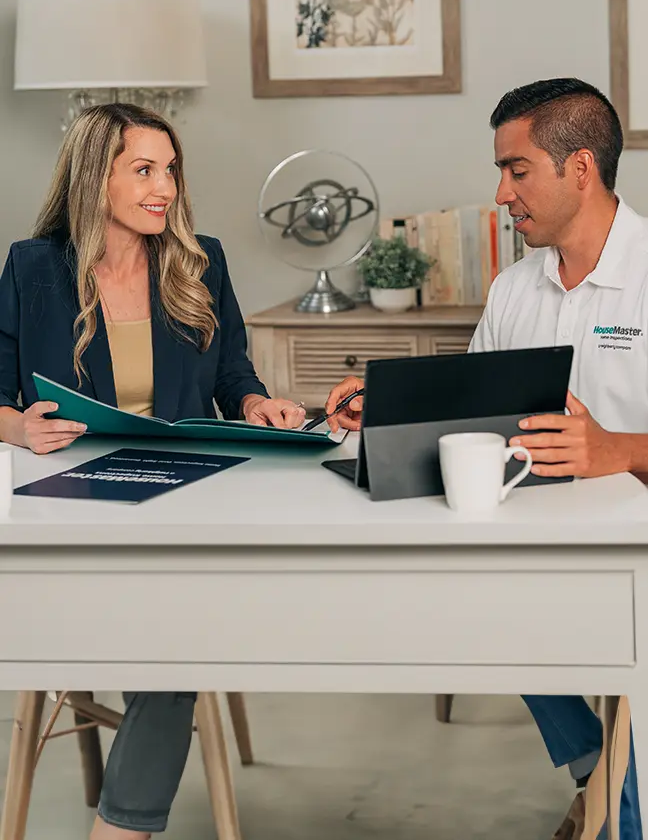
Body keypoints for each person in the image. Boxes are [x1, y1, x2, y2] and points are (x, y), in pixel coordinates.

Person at [325, 78, 648, 839]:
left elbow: (608, 451)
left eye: (517, 169)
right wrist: (388, 405)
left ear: (580, 170)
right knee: (474, 603)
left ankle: (613, 809)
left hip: (635, 558)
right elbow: (470, 411)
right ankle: (597, 769)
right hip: (537, 543)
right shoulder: (514, 289)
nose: (501, 192)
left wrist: (618, 450)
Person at [0, 102, 305, 838]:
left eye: (169, 169)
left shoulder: (200, 259)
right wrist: (15, 425)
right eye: (143, 169)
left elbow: (232, 369)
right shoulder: (34, 268)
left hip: (182, 499)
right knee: (174, 645)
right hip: (73, 507)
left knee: (172, 641)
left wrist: (258, 401)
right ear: (92, 178)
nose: (164, 186)